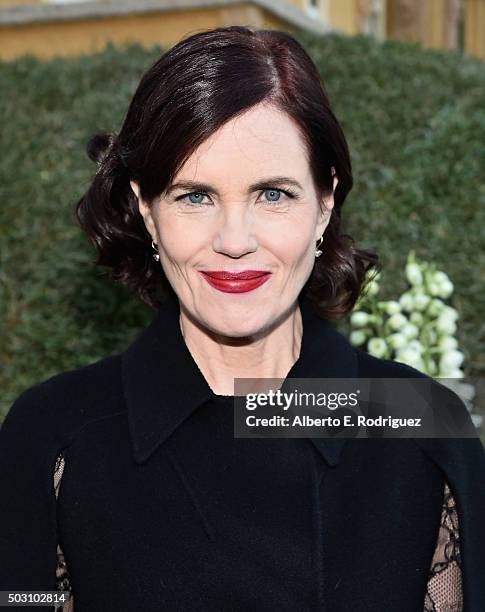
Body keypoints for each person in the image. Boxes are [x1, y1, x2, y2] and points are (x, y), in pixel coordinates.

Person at [1, 25, 484, 612]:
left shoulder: (423, 423)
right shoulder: (52, 434)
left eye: (273, 194)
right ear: (148, 211)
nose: (235, 241)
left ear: (325, 202)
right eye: (194, 196)